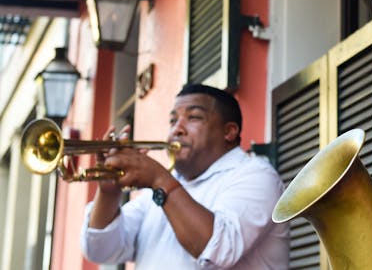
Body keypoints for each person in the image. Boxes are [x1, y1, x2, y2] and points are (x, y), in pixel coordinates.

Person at [80, 83, 290, 269]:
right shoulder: (162, 190)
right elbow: (100, 251)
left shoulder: (256, 176)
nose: (177, 129)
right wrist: (108, 192)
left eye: (194, 117)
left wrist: (160, 180)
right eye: (173, 120)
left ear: (229, 132)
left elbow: (219, 250)